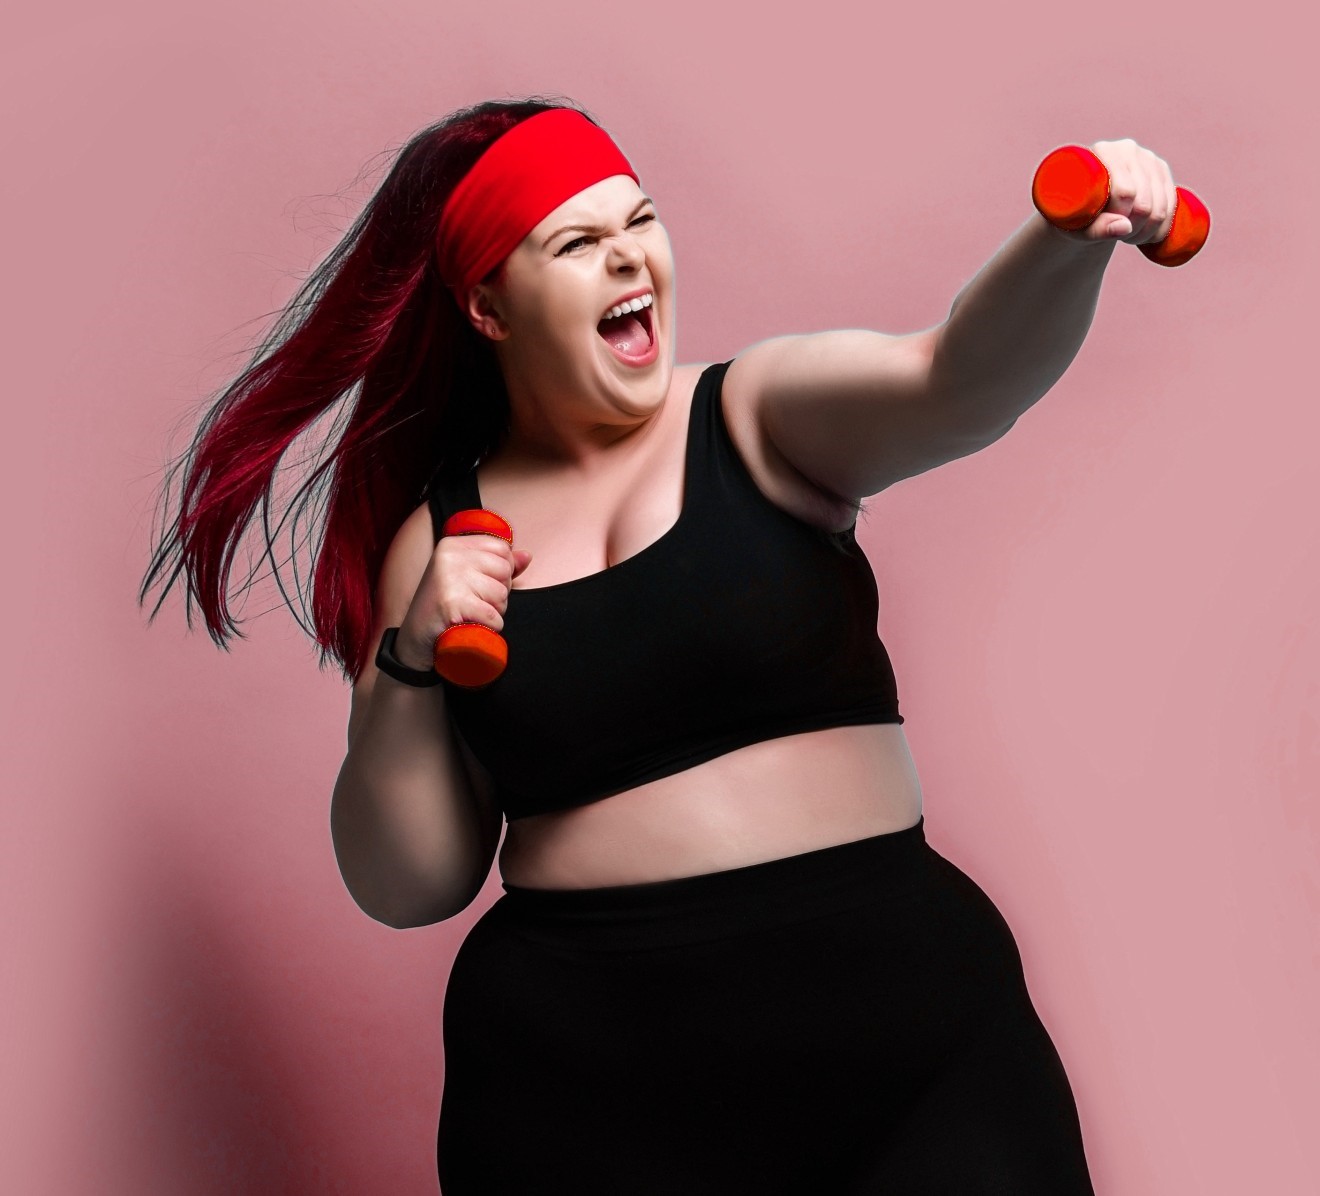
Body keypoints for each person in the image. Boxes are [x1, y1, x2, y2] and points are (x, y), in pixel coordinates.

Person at [141, 94, 1181, 1192]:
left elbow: (955, 378)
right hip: (587, 1087)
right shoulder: (442, 543)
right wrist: (408, 658)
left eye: (638, 220)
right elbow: (411, 883)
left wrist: (1068, 237)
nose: (628, 256)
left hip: (909, 1033)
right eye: (576, 243)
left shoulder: (758, 417)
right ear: (489, 306)